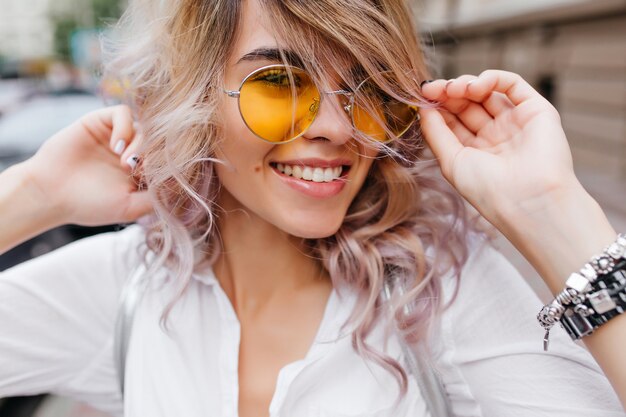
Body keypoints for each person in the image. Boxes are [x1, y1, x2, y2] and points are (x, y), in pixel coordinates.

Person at [0, 0, 624, 416]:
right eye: (277, 84)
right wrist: (32, 196)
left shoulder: (442, 292)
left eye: (368, 90)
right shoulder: (128, 287)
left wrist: (551, 209)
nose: (336, 127)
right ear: (192, 99)